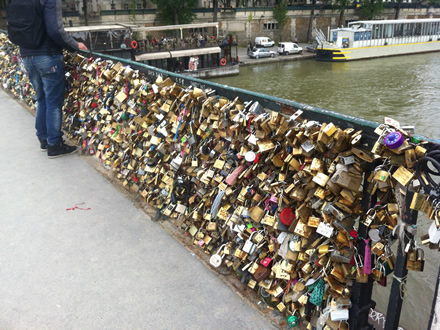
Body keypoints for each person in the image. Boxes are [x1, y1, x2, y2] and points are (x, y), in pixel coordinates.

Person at [17, 0, 87, 158]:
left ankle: (43, 138)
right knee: (53, 102)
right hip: (48, 57)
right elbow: (55, 30)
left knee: (42, 98)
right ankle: (54, 144)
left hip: (27, 57)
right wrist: (74, 45)